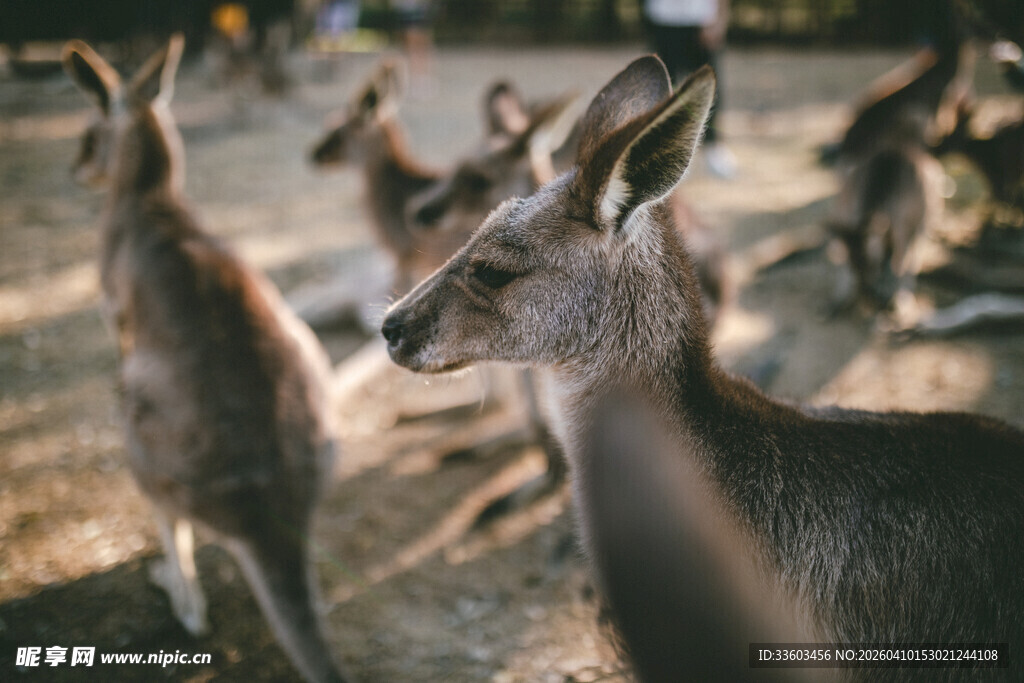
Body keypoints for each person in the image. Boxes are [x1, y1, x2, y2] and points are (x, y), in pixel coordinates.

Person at [642, 0, 736, 178]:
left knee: (708, 86)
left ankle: (712, 147)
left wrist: (719, 20)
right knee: (663, 88)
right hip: (662, 19)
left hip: (700, 17)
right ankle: (667, 154)